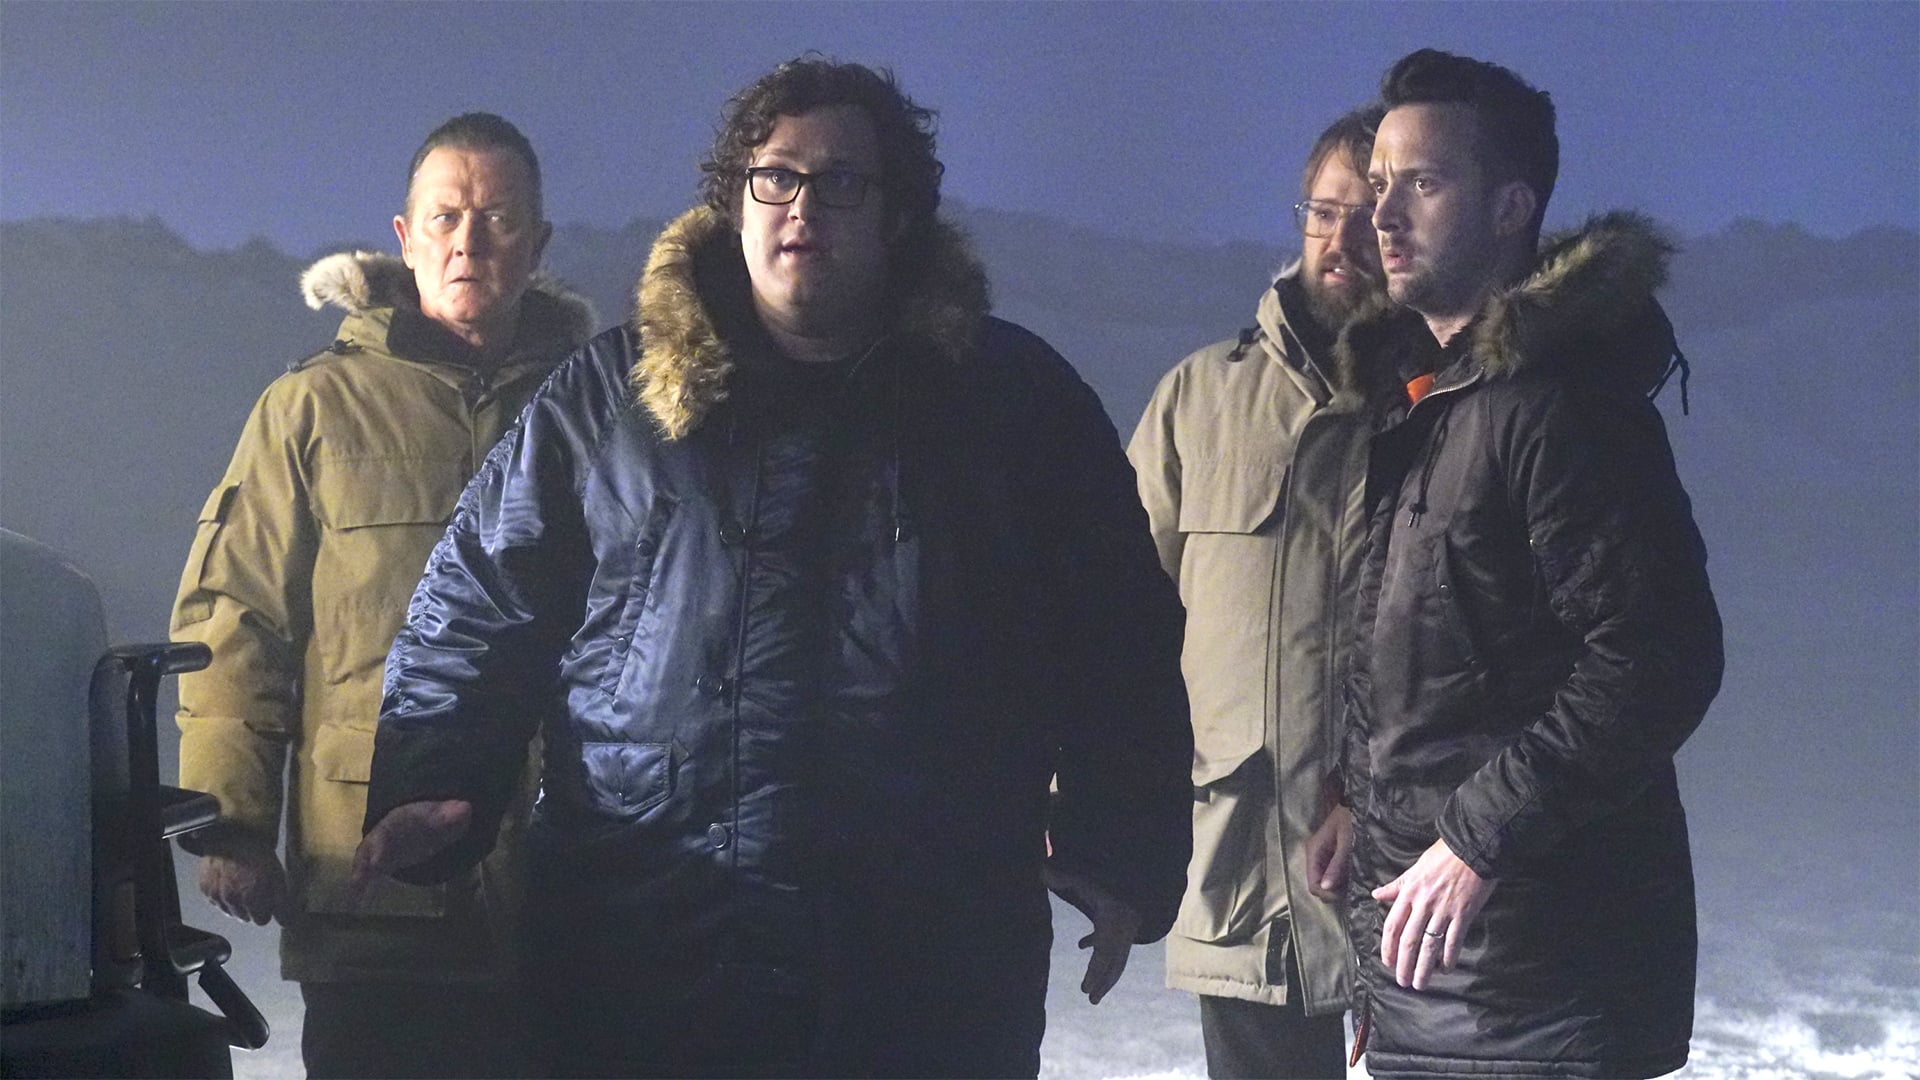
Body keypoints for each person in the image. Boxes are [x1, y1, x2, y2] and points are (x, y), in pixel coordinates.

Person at [354, 58, 1193, 1079]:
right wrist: (435, 772)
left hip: (926, 972)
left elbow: (1119, 638)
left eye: (841, 182)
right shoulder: (608, 402)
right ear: (735, 199)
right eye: (777, 177)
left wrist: (1120, 845)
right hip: (645, 955)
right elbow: (480, 602)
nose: (803, 207)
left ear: (896, 214)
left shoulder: (1008, 404)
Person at [170, 112, 595, 1078]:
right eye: (445, 217)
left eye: (497, 219)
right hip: (371, 888)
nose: (468, 241)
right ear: (405, 238)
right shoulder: (314, 407)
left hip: (563, 890)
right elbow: (238, 615)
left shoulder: (591, 408)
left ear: (538, 243)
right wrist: (233, 823)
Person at [1334, 49, 1724, 1077]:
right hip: (1430, 982)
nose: (1383, 215)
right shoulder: (1424, 403)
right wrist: (1351, 805)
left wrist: (1476, 840)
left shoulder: (1559, 406)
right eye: (1378, 183)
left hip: (1538, 990)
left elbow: (1658, 655)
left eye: (1423, 182)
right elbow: (1440, 674)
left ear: (1511, 208)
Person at [1129, 107, 1394, 1079]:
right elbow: (1115, 625)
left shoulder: (1454, 405)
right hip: (1247, 870)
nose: (1341, 239)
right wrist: (1073, 800)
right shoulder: (1200, 400)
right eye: (1323, 211)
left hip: (1413, 883)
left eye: (1368, 216)